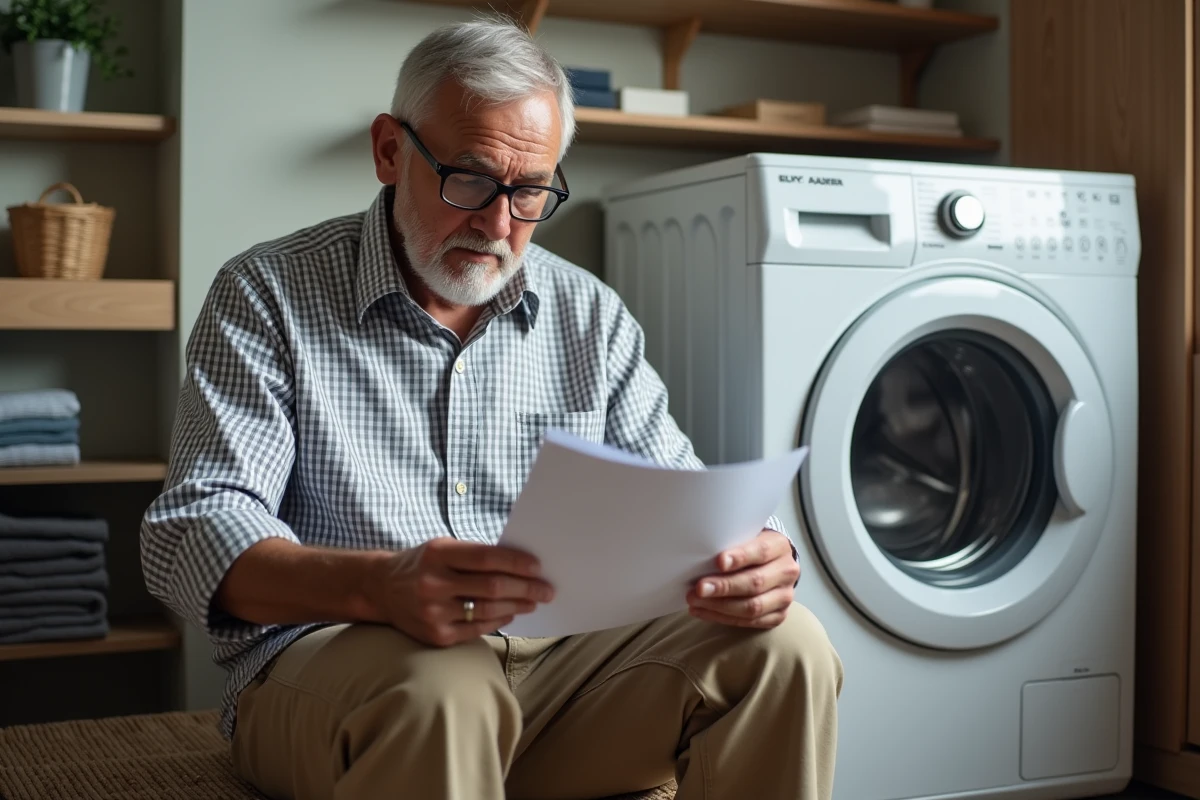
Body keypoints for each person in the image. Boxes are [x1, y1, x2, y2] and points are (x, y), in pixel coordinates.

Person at [140, 15, 843, 800]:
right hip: (343, 670)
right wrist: (380, 586)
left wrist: (754, 557)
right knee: (443, 688)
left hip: (560, 685)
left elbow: (680, 496)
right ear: (389, 151)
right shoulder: (268, 293)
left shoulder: (591, 315)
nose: (500, 223)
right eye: (470, 179)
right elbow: (191, 535)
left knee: (788, 647)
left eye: (531, 189)